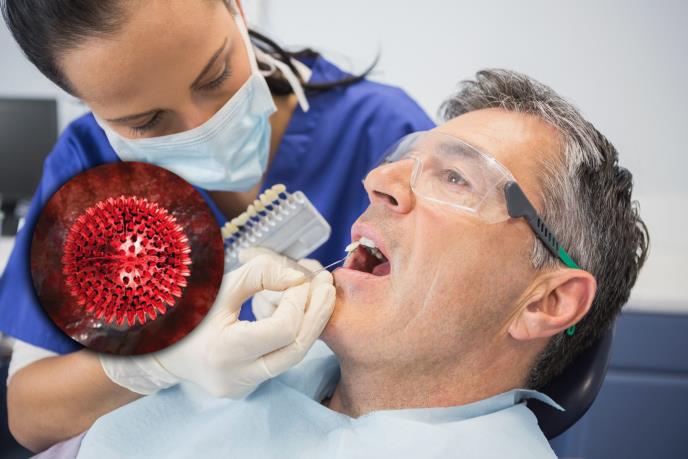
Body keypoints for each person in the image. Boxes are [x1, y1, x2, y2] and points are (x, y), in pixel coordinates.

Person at [37, 69, 649, 459]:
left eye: (457, 178)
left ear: (547, 301)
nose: (378, 181)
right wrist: (159, 361)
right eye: (402, 161)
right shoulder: (245, 378)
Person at [0, 0, 434, 452]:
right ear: (84, 100)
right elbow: (30, 415)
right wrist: (158, 363)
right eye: (146, 121)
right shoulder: (89, 169)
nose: (202, 127)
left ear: (236, 10)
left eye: (215, 76)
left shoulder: (381, 132)